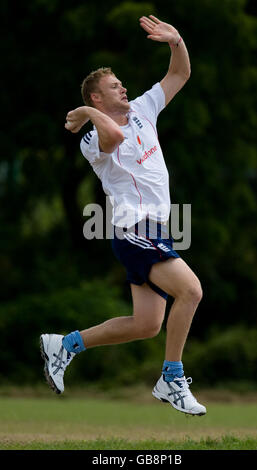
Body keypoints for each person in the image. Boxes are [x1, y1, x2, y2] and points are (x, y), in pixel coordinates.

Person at [40, 15, 206, 416]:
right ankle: (172, 376)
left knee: (147, 325)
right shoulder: (92, 139)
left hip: (155, 229)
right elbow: (113, 137)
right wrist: (86, 112)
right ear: (97, 98)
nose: (124, 88)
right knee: (192, 291)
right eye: (114, 86)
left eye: (121, 84)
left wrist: (176, 40)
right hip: (134, 229)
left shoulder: (143, 108)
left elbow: (180, 73)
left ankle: (64, 345)